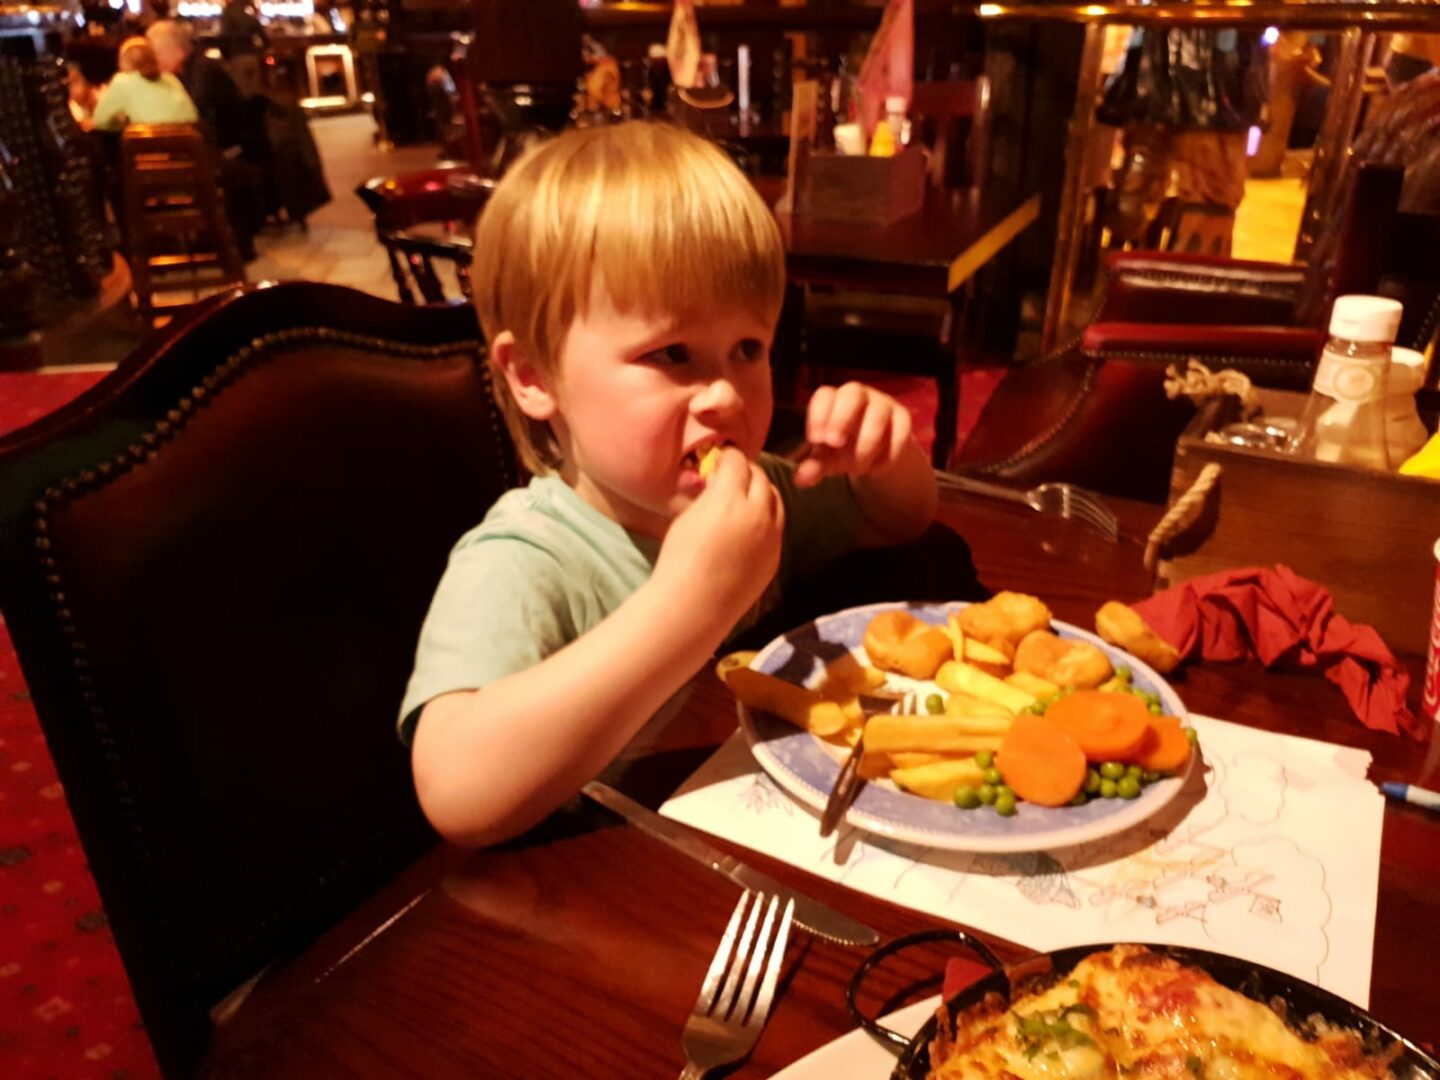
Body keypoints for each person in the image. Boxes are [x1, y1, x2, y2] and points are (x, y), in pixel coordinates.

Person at [401, 122, 938, 848]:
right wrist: (691, 602)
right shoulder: (523, 557)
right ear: (534, 376)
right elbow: (457, 793)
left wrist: (887, 454)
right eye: (672, 353)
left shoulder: (757, 495)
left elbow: (893, 519)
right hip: (590, 890)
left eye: (747, 348)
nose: (725, 395)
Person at [146, 18, 266, 259]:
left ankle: (183, 241)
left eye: (155, 56)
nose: (154, 65)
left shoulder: (202, 71)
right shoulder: (191, 71)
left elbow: (197, 118)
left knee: (160, 175)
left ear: (173, 51)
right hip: (218, 149)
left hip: (233, 152)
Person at [90, 36, 198, 131]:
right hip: (188, 146)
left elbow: (100, 121)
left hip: (149, 147)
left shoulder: (123, 81)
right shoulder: (171, 79)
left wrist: (122, 122)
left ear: (123, 62)